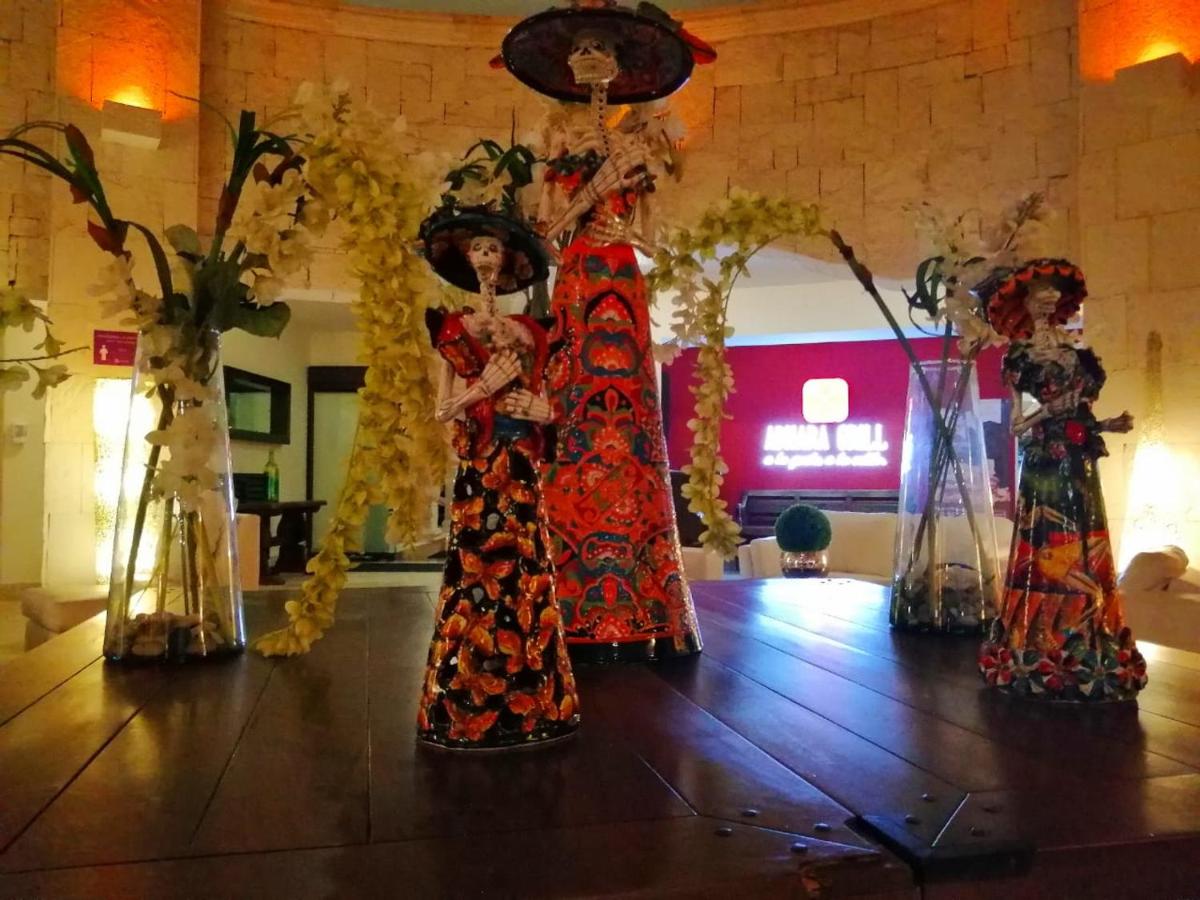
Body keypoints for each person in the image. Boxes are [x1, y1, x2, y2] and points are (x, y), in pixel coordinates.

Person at [496, 0, 715, 661]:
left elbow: (652, 236)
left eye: (599, 49)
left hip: (621, 278)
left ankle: (647, 601)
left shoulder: (636, 148)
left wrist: (627, 229)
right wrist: (589, 197)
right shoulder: (561, 149)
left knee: (631, 413)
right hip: (578, 279)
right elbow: (546, 235)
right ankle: (567, 595)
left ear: (617, 65)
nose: (589, 59)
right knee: (573, 401)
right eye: (580, 50)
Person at [417, 208, 580, 748]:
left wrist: (543, 411)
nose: (486, 257)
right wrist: (481, 387)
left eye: (494, 249)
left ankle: (537, 694)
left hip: (520, 467)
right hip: (479, 467)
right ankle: (466, 693)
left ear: (508, 260)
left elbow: (551, 404)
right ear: (466, 258)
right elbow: (443, 410)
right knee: (474, 568)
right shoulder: (453, 331)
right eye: (478, 248)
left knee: (528, 563)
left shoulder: (530, 333)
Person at [976, 259, 1147, 701]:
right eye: (1041, 290)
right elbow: (1018, 425)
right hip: (1044, 465)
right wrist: (1051, 410)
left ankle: (1092, 638)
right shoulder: (1020, 358)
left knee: (1087, 542)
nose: (1049, 296)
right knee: (1044, 543)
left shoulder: (1078, 355)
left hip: (1078, 461)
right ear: (1025, 302)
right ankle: (1033, 642)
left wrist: (1107, 424)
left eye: (1055, 289)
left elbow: (1081, 415)